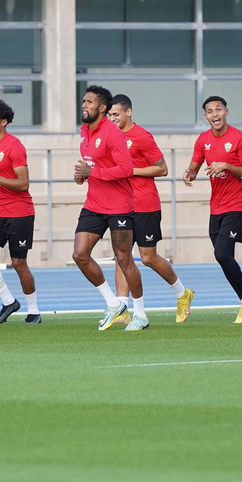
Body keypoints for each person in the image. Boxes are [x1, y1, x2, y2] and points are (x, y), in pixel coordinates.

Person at [108, 94, 194, 323]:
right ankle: (122, 310)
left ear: (128, 112)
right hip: (120, 205)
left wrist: (130, 170)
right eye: (109, 115)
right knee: (121, 257)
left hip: (144, 204)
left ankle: (182, 293)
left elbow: (162, 169)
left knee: (147, 258)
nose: (112, 118)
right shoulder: (109, 137)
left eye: (116, 114)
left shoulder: (142, 136)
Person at [73, 85, 146, 331]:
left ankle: (140, 314)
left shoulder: (113, 133)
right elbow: (93, 164)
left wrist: (92, 172)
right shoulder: (84, 131)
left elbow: (126, 169)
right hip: (94, 204)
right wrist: (84, 176)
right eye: (84, 101)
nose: (84, 105)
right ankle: (113, 303)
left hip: (119, 207)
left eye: (89, 102)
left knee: (124, 260)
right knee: (80, 255)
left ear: (102, 108)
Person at [183, 95, 242, 324]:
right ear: (205, 116)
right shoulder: (203, 140)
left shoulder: (239, 138)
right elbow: (194, 166)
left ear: (227, 111)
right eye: (210, 111)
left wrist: (226, 165)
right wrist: (190, 174)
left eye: (218, 109)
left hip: (237, 204)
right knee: (224, 256)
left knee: (221, 253)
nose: (214, 114)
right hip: (216, 206)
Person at [0, 99, 41, 324]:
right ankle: (8, 301)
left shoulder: (15, 146)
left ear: (3, 122)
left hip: (20, 213)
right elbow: (0, 177)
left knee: (19, 263)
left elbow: (23, 184)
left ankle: (34, 311)